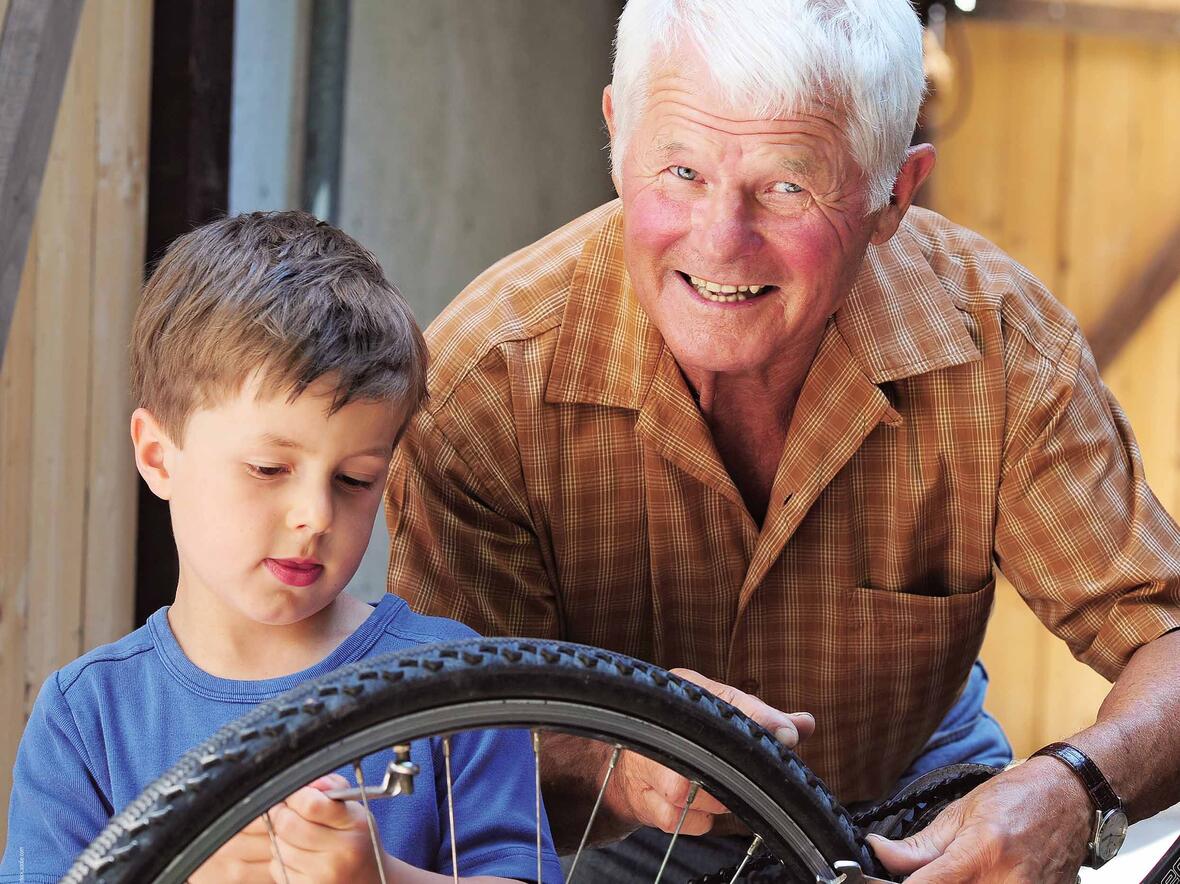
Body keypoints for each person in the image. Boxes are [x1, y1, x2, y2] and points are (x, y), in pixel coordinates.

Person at [385, 0, 1180, 881]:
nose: (722, 242)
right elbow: (445, 742)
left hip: (913, 790)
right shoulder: (481, 386)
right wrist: (620, 760)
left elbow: (1169, 637)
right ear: (617, 135)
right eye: (681, 170)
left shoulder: (999, 345)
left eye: (788, 186)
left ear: (895, 195)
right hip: (612, 830)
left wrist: (1075, 787)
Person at [0, 212, 562, 884]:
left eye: (355, 480)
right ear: (158, 457)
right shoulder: (86, 716)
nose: (314, 515)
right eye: (268, 468)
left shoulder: (456, 684)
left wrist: (380, 878)